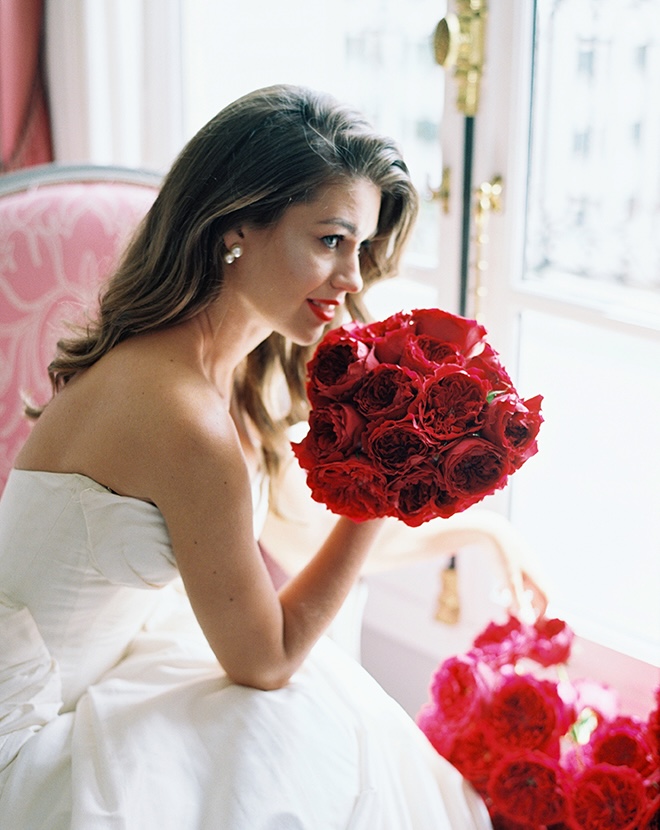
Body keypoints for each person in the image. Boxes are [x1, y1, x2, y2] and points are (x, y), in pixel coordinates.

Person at [0, 84, 504, 829]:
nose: (353, 278)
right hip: (25, 730)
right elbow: (264, 661)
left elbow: (281, 544)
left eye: (361, 247)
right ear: (235, 227)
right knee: (286, 732)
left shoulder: (214, 368)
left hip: (100, 663)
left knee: (322, 728)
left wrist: (477, 526)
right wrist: (379, 489)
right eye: (331, 240)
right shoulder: (181, 415)